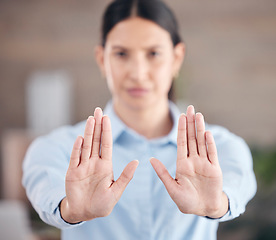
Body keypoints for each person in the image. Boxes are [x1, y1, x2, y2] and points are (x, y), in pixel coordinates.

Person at [22, 0, 257, 239]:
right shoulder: (59, 147)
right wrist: (71, 210)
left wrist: (216, 205)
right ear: (102, 59)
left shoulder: (221, 147)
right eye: (121, 54)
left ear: (177, 58)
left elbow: (238, 186)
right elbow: (44, 186)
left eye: (153, 53)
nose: (137, 72)